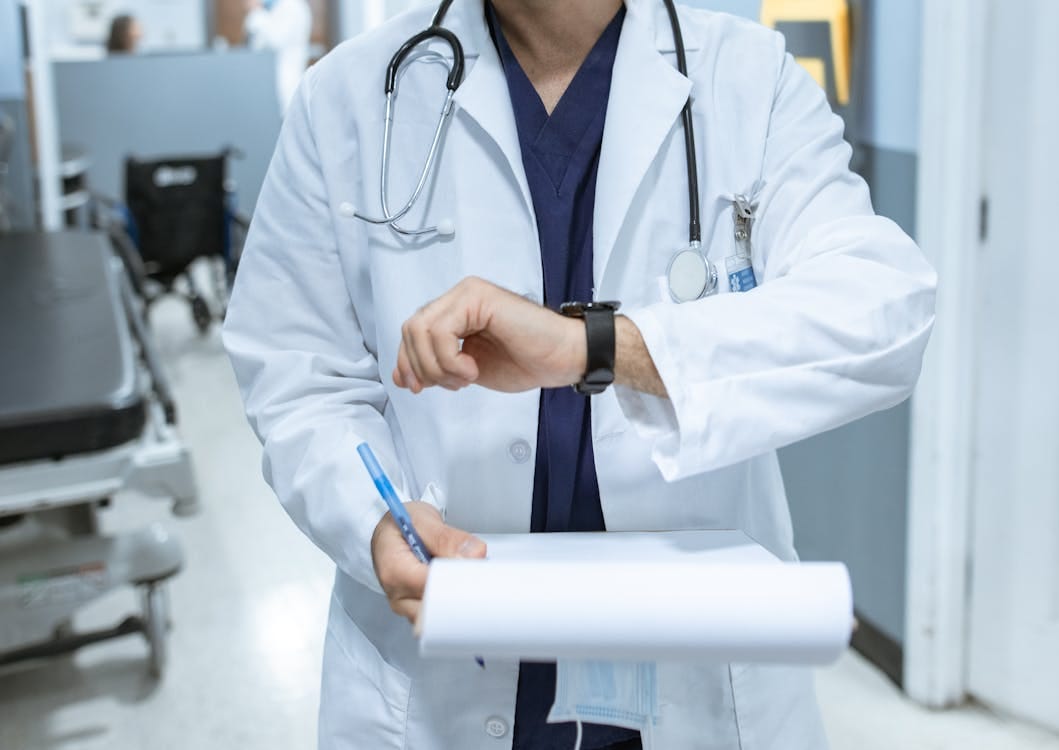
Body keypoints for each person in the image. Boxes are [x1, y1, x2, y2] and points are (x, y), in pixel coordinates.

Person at [223, 0, 937, 748]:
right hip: (438, 672)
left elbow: (883, 312)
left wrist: (594, 348)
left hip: (692, 681)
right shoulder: (348, 96)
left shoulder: (748, 81)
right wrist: (371, 523)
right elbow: (298, 373)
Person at [243, 0, 312, 113]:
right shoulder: (275, 9)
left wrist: (257, 10)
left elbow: (276, 40)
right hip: (271, 81)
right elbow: (257, 44)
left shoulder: (292, 6)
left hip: (287, 79)